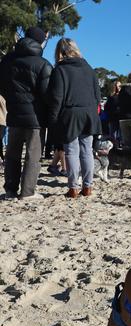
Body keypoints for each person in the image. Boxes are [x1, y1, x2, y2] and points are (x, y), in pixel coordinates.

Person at [0, 26, 52, 200]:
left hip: (13, 113)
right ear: (40, 42)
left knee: (12, 154)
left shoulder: (7, 61)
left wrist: (13, 100)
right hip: (35, 117)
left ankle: (10, 191)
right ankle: (28, 192)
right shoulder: (43, 64)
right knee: (33, 155)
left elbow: (2, 87)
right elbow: (46, 93)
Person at [46, 38, 101, 198]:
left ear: (60, 52)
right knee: (87, 152)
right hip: (89, 112)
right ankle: (88, 187)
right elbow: (98, 95)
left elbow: (57, 97)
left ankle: (73, 188)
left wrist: (53, 119)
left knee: (71, 151)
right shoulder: (89, 68)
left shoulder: (60, 70)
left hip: (70, 113)